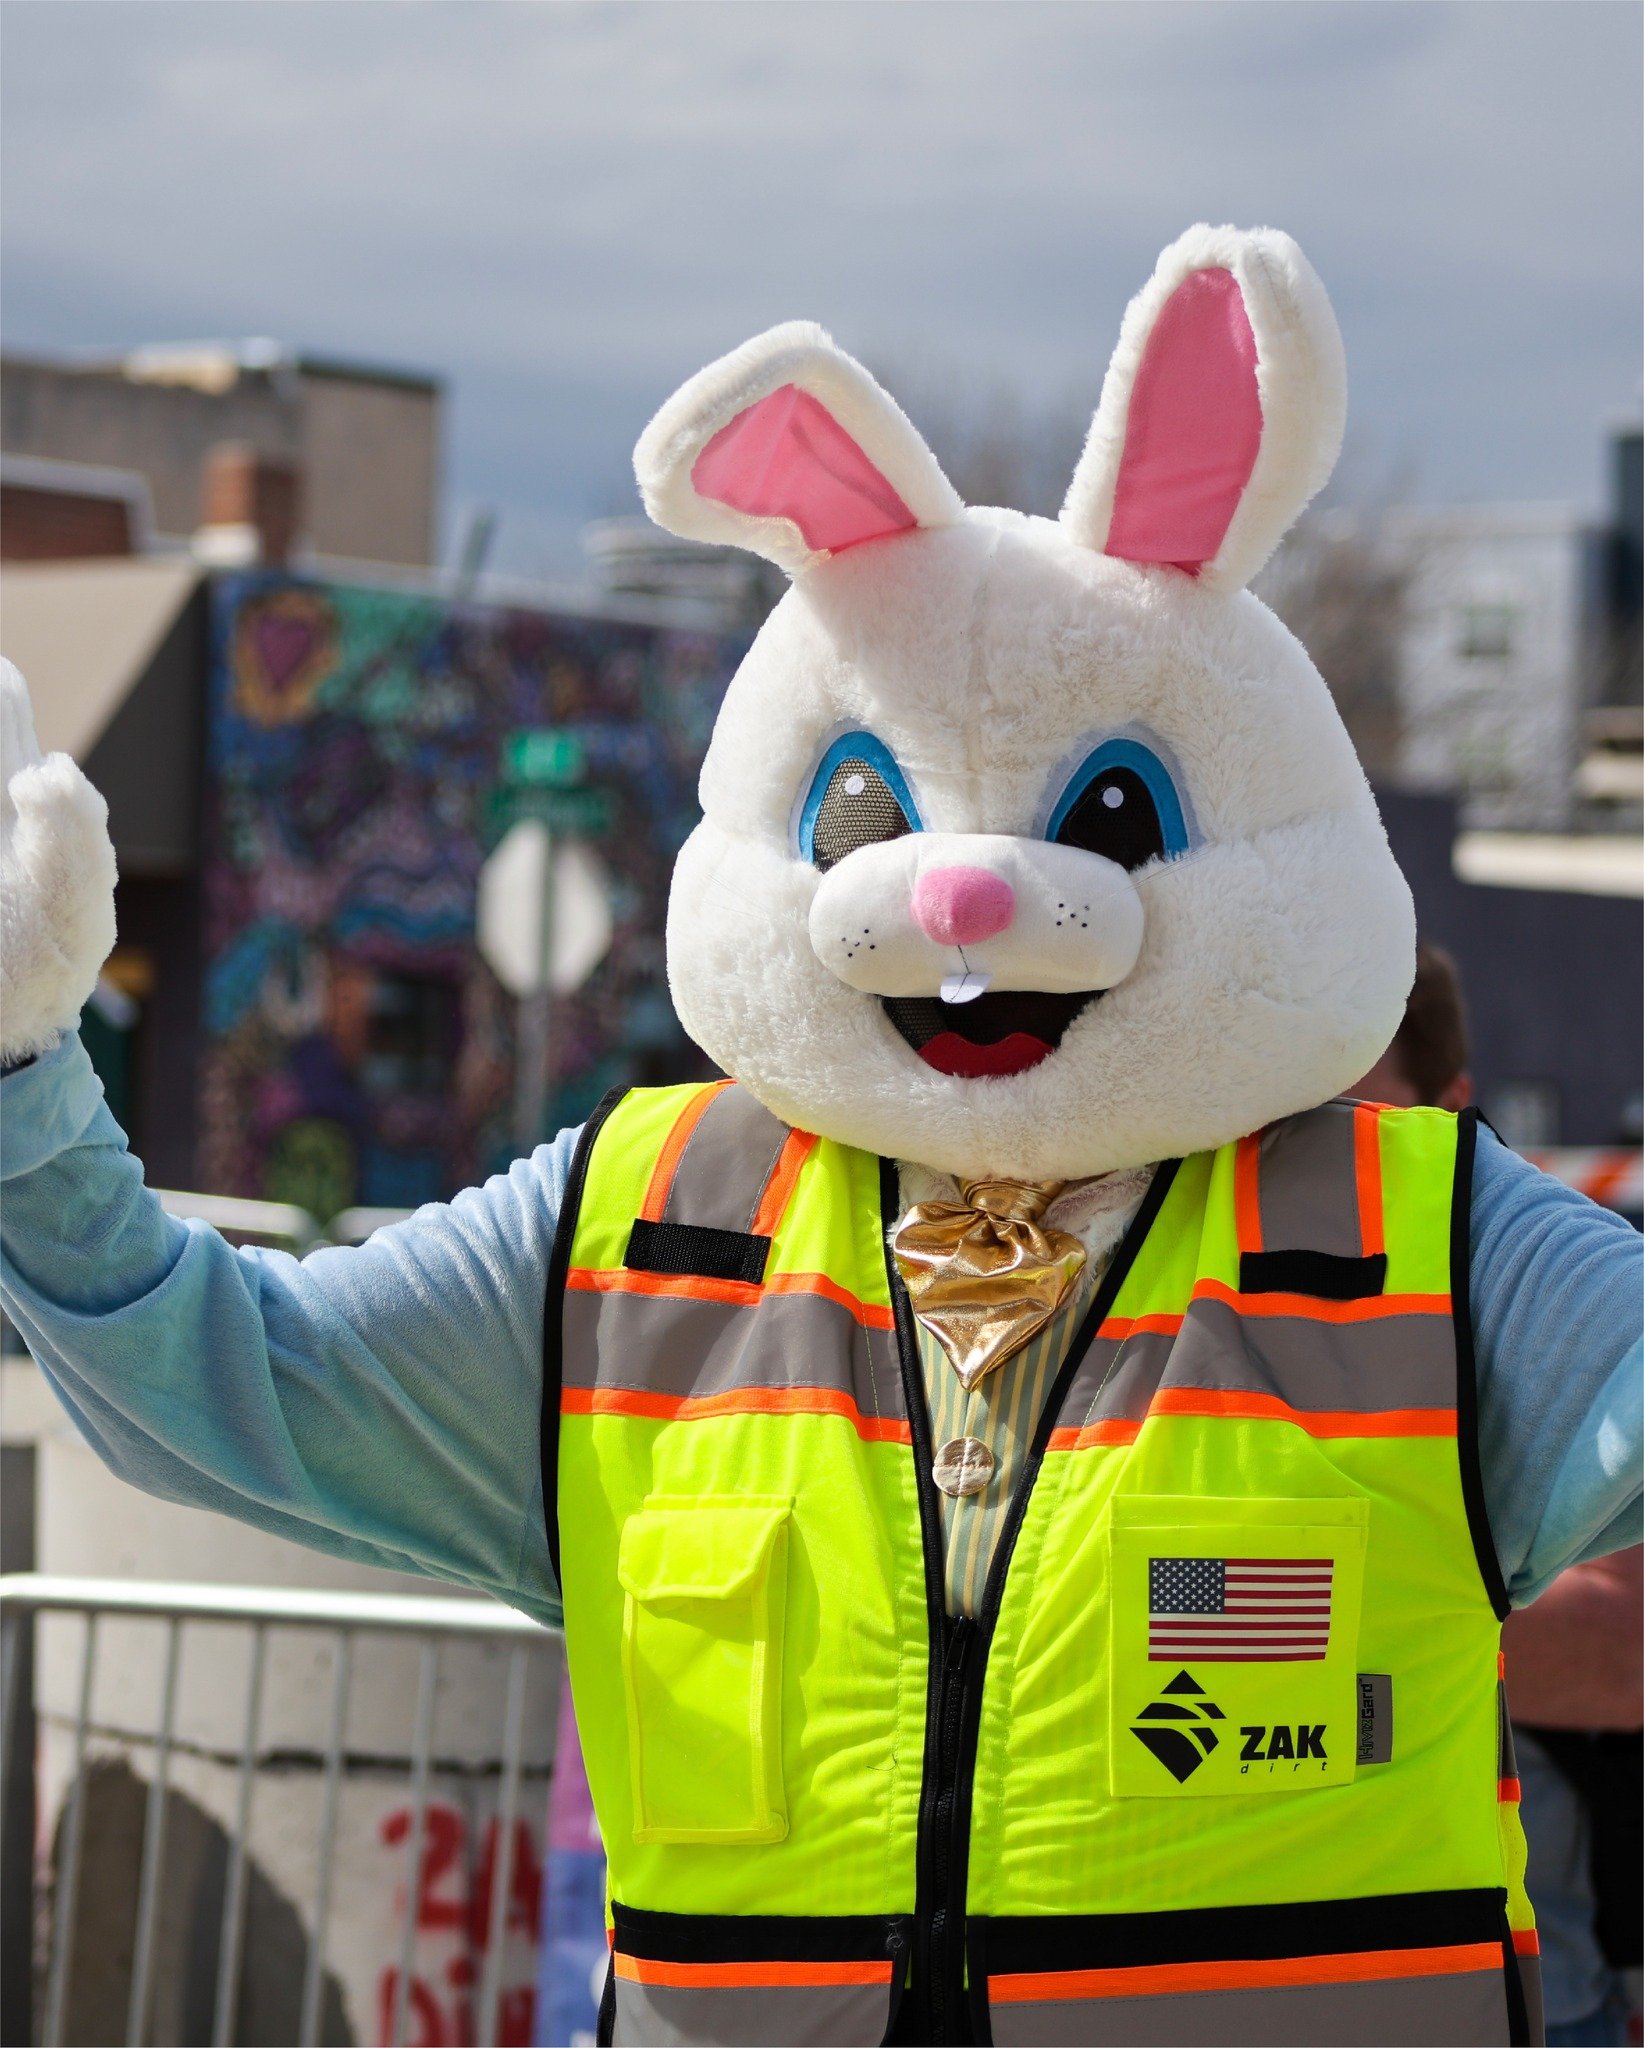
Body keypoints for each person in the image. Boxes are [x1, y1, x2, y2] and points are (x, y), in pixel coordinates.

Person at [4, 227, 1640, 2047]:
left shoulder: (1422, 1243)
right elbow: (210, 1368)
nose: (958, 891)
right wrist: (19, 1077)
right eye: (865, 809)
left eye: (1107, 812)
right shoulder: (621, 1241)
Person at [1350, 944, 1644, 2048]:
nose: (1302, 1153)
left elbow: (1621, 1652)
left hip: (1520, 1979)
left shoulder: (1514, 1280)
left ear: (1452, 1106)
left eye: (1354, 1109)